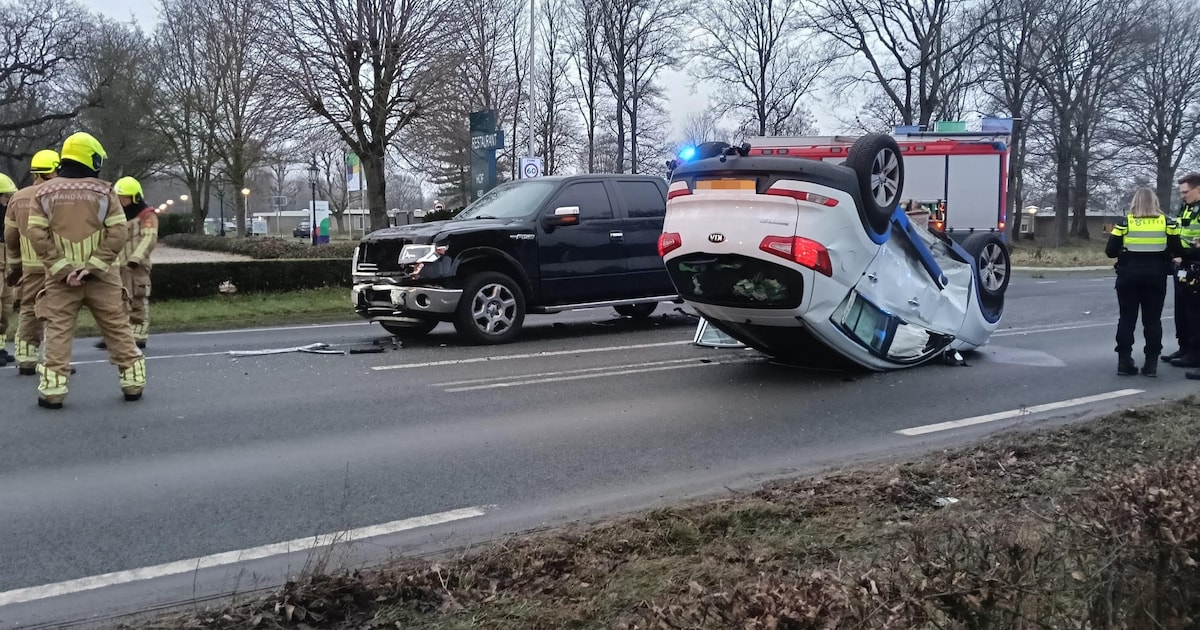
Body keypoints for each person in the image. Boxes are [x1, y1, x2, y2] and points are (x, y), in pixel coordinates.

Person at [25, 132, 146, 408]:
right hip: (103, 277)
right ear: (90, 157)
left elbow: (35, 234)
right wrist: (92, 268)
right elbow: (118, 234)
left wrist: (62, 268)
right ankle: (132, 384)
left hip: (60, 280)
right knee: (117, 328)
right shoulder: (106, 191)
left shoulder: (42, 193)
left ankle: (53, 391)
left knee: (57, 332)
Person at [1106, 187, 1183, 376]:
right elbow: (1177, 249)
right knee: (1152, 321)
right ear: (1155, 202)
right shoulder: (1167, 222)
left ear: (1135, 202)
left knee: (1127, 319)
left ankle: (1124, 362)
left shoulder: (1125, 223)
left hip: (1128, 277)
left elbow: (1110, 251)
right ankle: (1151, 364)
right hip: (1155, 277)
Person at [4, 150, 60, 374]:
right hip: (56, 265)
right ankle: (52, 360)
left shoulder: (18, 197)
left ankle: (25, 360)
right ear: (54, 169)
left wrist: (16, 265)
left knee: (28, 309)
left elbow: (10, 235)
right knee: (57, 313)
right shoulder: (59, 195)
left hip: (29, 266)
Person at [95, 177, 157, 349]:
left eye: (125, 197)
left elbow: (149, 239)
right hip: (116, 265)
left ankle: (138, 336)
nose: (122, 201)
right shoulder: (115, 215)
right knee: (115, 302)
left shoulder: (147, 215)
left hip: (136, 267)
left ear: (135, 197)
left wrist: (135, 260)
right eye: (119, 197)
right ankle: (115, 336)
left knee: (138, 298)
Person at [1166, 173, 1200, 365]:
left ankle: (1195, 354)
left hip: (1197, 262)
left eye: (1186, 192)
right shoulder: (1185, 208)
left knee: (1195, 310)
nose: (1182, 196)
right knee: (1181, 308)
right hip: (1182, 262)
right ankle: (1184, 347)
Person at [0, 172, 16, 366]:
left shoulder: (7, 219)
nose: (8, 201)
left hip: (7, 268)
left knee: (5, 309)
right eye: (6, 197)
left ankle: (1, 347)